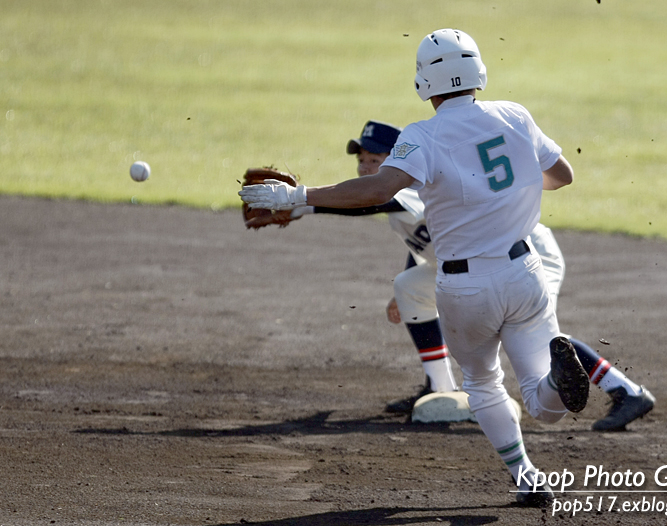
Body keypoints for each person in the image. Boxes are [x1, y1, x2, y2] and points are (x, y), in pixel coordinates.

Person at [239, 29, 639, 506]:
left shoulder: (422, 135)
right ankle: (556, 383)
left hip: (465, 285)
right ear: (478, 72)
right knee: (542, 403)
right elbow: (562, 176)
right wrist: (515, 187)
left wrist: (299, 197)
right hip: (524, 269)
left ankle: (527, 475)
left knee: (483, 382)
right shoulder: (515, 115)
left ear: (423, 83)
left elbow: (377, 191)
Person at [293, 120, 655, 430]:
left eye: (376, 160)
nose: (365, 168)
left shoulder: (411, 187)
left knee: (538, 339)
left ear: (397, 159)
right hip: (484, 257)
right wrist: (412, 295)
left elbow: (372, 201)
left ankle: (627, 391)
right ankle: (440, 390)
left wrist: (299, 206)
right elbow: (425, 243)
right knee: (408, 286)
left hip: (528, 254)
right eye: (362, 160)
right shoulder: (412, 193)